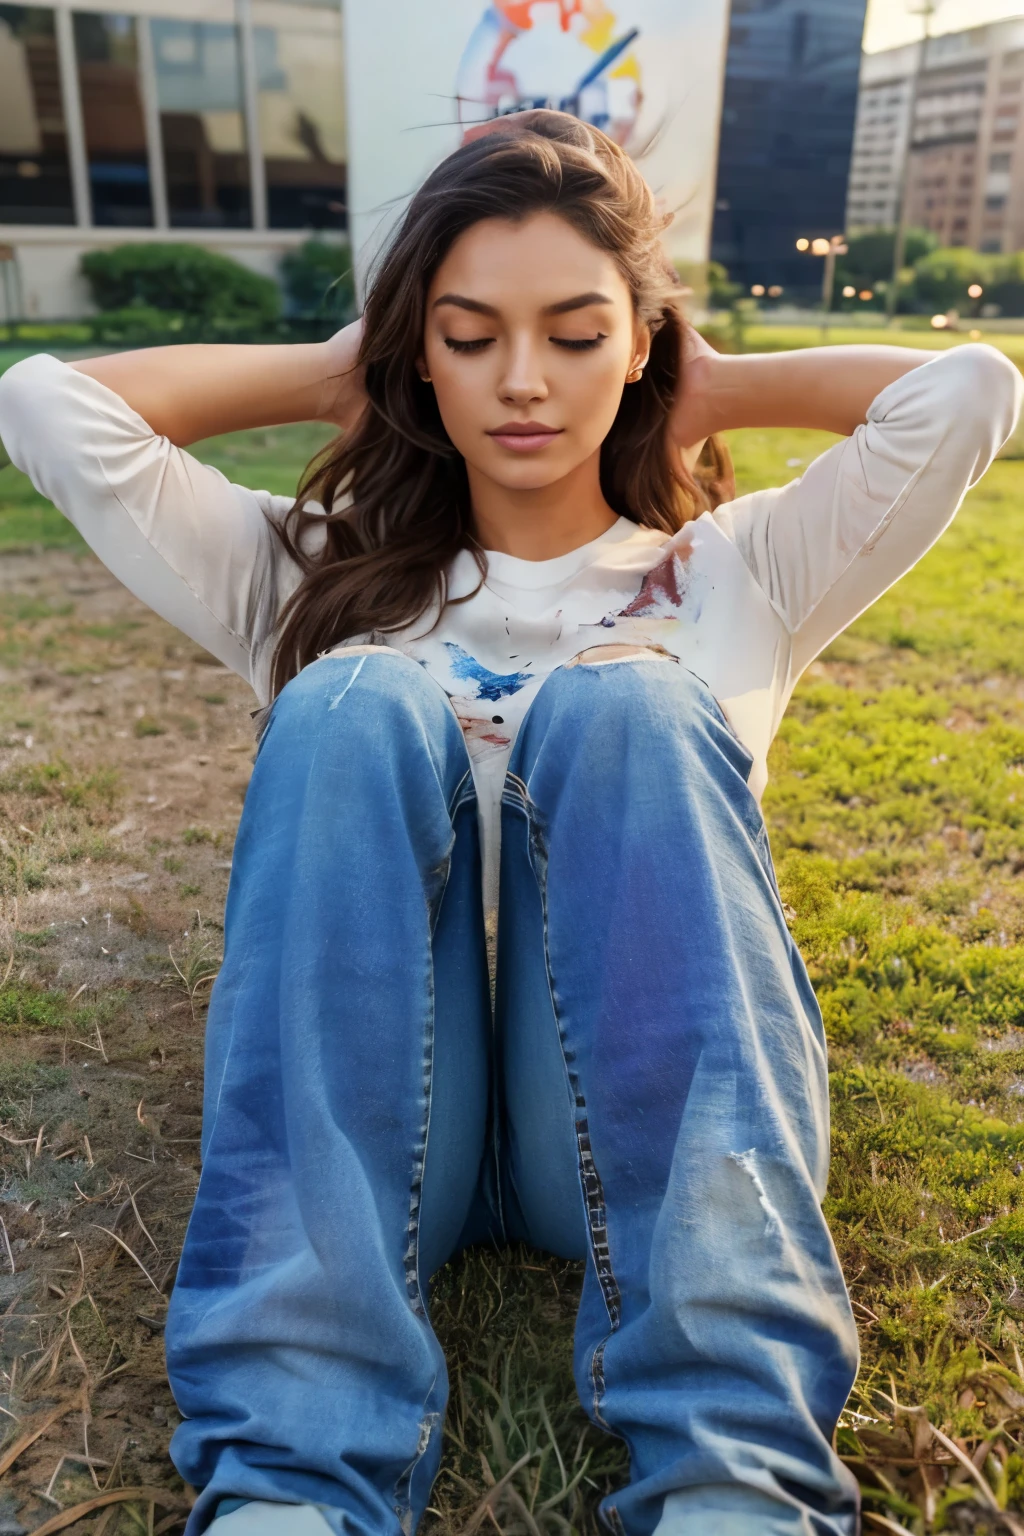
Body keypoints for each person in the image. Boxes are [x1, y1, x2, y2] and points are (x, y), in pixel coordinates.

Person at [0, 111, 1018, 1536]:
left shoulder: (736, 571)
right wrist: (331, 371)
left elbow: (970, 394)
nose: (523, 382)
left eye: (577, 332)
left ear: (642, 342)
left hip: (618, 1133)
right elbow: (46, 404)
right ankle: (293, 1475)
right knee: (352, 705)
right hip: (373, 1128)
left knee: (634, 711)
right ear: (416, 350)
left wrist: (709, 387)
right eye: (469, 335)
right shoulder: (309, 575)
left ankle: (735, 1475)